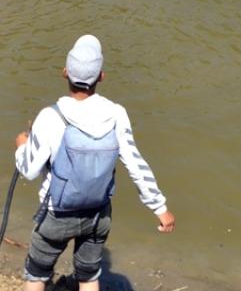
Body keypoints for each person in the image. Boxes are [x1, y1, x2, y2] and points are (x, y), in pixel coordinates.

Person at [13, 34, 175, 291]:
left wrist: (22, 145)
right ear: (101, 76)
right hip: (98, 214)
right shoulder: (116, 114)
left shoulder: (50, 116)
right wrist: (160, 208)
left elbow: (29, 170)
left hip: (56, 214)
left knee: (36, 273)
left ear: (65, 73)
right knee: (89, 275)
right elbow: (135, 163)